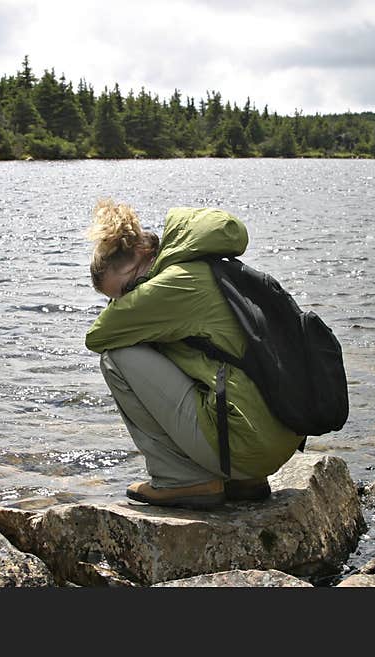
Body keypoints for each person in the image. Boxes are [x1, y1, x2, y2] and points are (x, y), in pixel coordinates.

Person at [85, 199, 305, 509]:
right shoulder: (207, 266)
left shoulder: (169, 286)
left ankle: (182, 480)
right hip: (272, 440)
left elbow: (97, 336)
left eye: (126, 290)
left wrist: (129, 310)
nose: (128, 300)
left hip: (248, 446)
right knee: (167, 346)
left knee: (116, 355)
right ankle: (242, 481)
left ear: (143, 254)